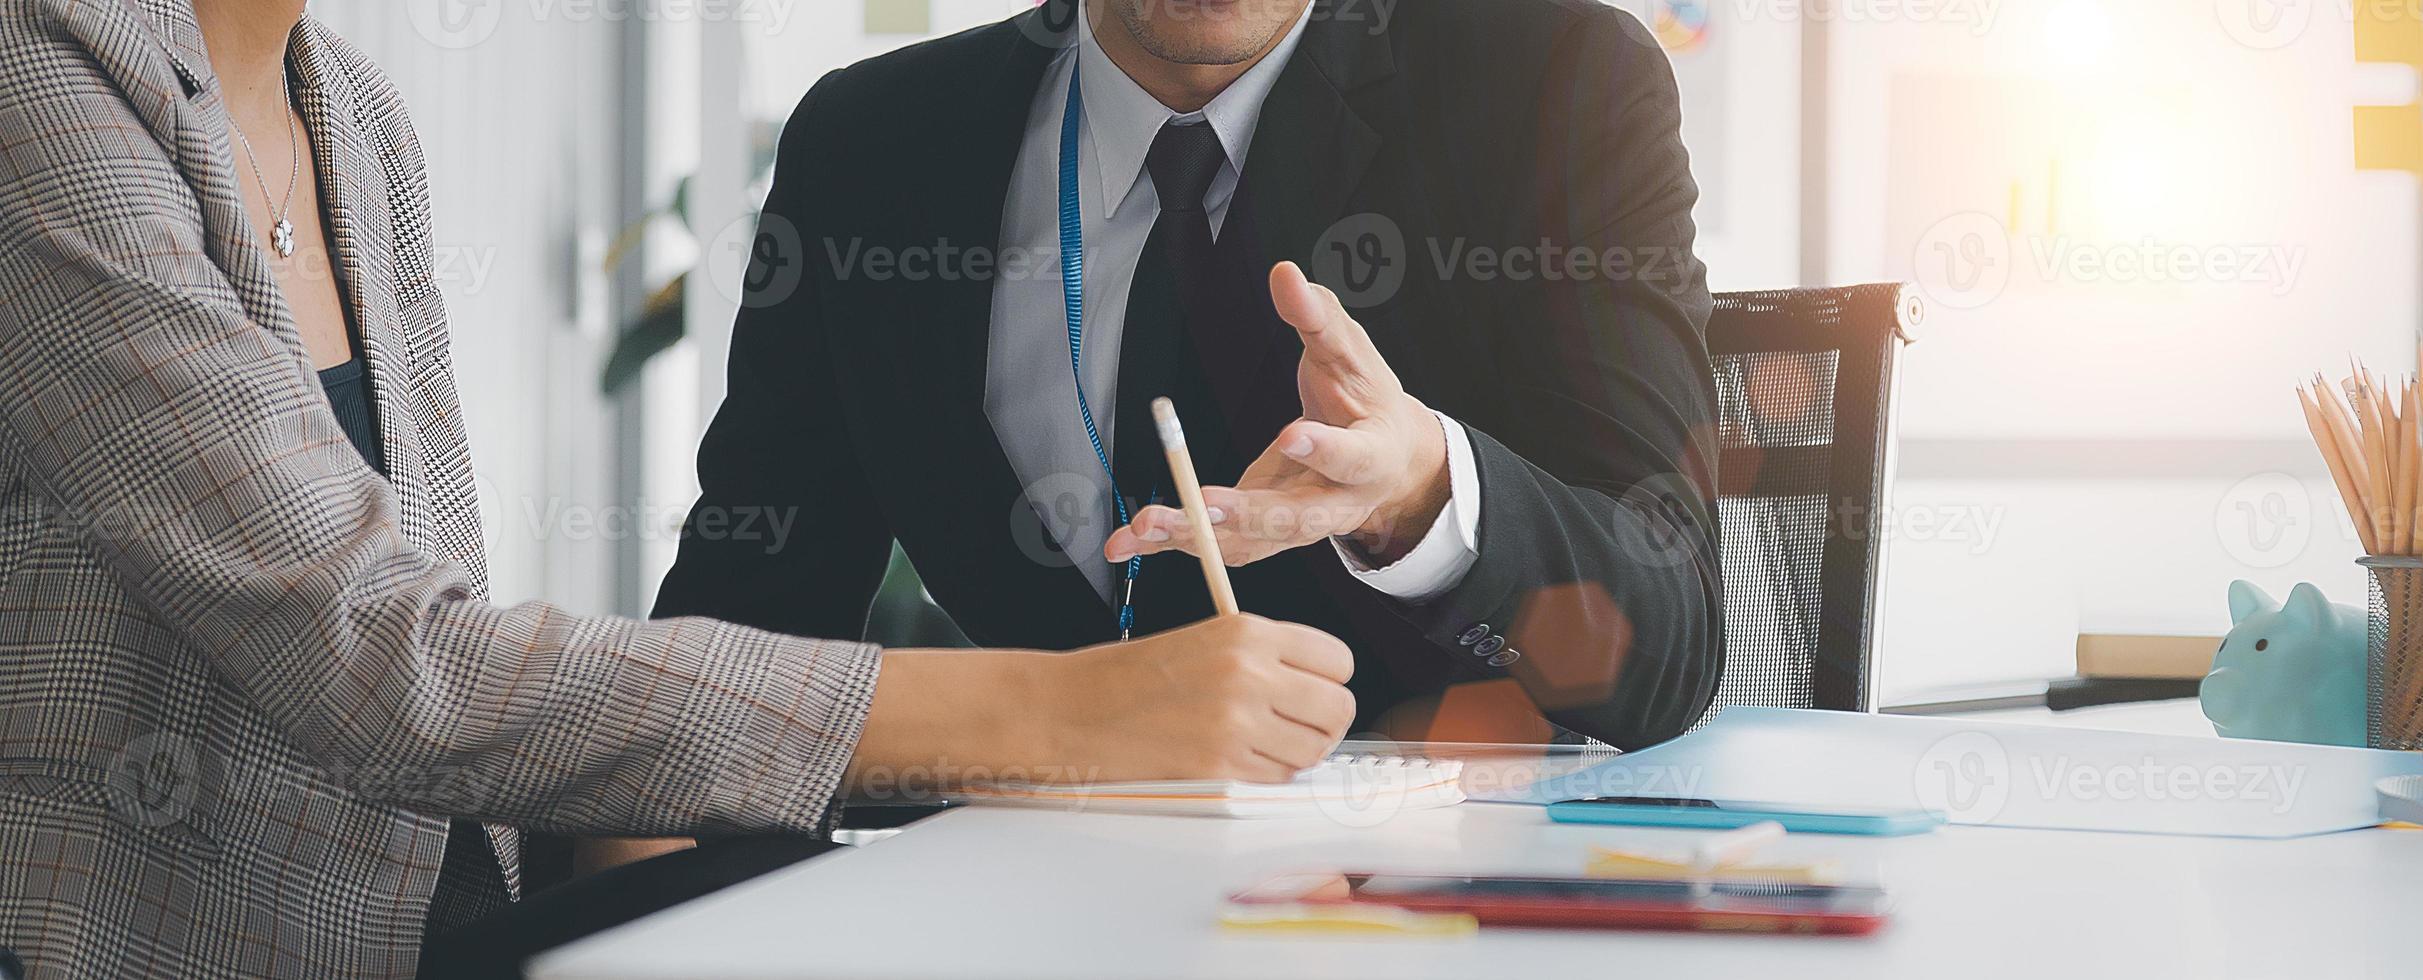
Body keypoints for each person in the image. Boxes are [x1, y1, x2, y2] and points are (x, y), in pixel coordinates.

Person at [0, 1, 1355, 976]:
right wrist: (1057, 715)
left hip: (454, 923)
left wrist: (650, 856)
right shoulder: (42, 90)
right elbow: (380, 662)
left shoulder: (349, 114)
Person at [659, 0, 1726, 749]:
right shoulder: (872, 146)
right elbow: (744, 618)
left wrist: (1421, 493)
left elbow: (1665, 633)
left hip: (1429, 893)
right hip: (1025, 892)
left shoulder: (1555, 84)